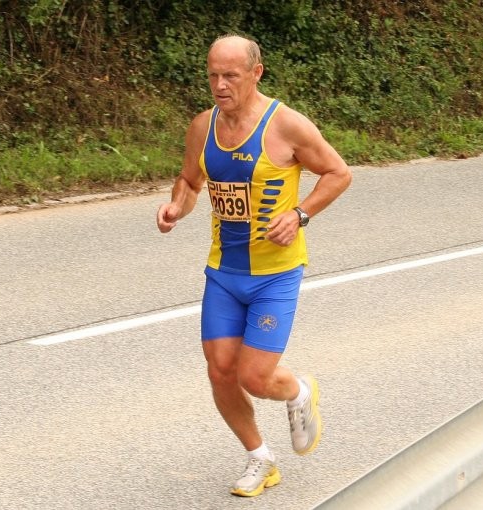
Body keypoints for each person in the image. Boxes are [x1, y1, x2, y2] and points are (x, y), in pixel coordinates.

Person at [156, 34, 352, 498]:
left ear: (256, 73)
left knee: (255, 377)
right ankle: (260, 458)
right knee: (220, 370)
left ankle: (298, 391)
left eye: (231, 76)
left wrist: (300, 214)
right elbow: (190, 179)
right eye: (212, 76)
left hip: (275, 275)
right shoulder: (202, 127)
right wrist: (174, 208)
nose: (220, 86)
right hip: (224, 273)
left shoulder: (286, 125)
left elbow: (338, 172)